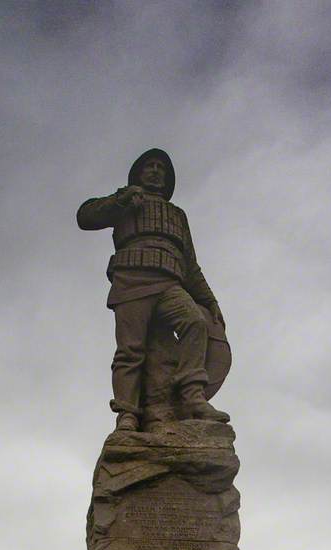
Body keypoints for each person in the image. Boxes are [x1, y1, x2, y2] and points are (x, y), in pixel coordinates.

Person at [77, 148, 229, 431]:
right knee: (131, 351)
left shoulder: (177, 215)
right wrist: (120, 201)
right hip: (131, 282)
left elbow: (191, 265)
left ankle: (191, 395)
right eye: (150, 165)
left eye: (162, 167)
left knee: (195, 322)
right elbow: (85, 217)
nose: (156, 170)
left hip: (170, 282)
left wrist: (208, 299)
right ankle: (128, 414)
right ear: (139, 173)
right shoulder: (125, 202)